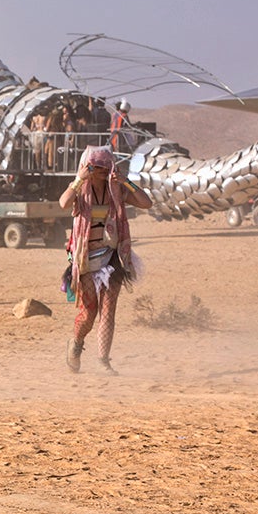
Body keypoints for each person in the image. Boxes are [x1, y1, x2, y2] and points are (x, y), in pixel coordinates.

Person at [59, 145, 152, 374]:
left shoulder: (116, 191)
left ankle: (104, 361)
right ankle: (77, 343)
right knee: (89, 313)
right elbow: (63, 202)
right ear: (87, 166)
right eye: (95, 166)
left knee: (108, 311)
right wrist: (79, 179)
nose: (101, 170)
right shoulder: (81, 190)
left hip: (111, 257)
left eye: (105, 165)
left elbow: (146, 202)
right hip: (85, 260)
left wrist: (125, 182)